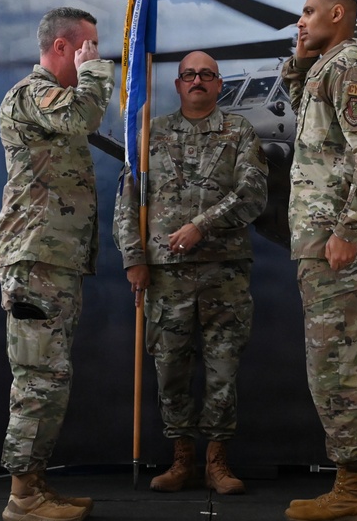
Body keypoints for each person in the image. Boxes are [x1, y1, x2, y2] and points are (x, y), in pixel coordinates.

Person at [113, 50, 268, 495]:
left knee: (223, 368)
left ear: (220, 84)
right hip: (165, 274)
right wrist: (134, 258)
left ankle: (217, 461)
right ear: (177, 85)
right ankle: (182, 459)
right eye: (188, 75)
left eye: (206, 74)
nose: (197, 80)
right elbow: (127, 201)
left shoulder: (238, 131)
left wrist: (202, 225)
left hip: (225, 272)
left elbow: (253, 194)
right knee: (170, 369)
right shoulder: (150, 133)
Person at [279, 0, 357, 521]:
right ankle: (352, 485)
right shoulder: (324, 70)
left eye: (308, 13)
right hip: (316, 241)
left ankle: (353, 487)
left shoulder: (350, 68)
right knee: (326, 360)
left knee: (336, 361)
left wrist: (349, 229)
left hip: (334, 241)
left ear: (337, 13)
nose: (299, 22)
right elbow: (317, 132)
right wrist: (299, 62)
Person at [0, 7, 114, 521]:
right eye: (88, 47)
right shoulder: (32, 94)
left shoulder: (53, 98)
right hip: (35, 261)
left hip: (54, 262)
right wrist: (95, 74)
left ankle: (35, 481)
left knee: (51, 375)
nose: (95, 55)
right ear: (62, 47)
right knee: (37, 378)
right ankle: (21, 497)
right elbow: (83, 118)